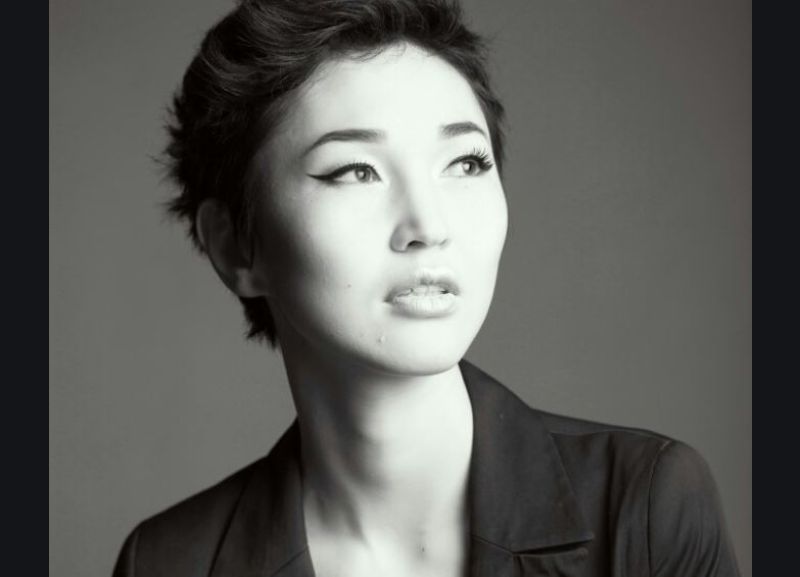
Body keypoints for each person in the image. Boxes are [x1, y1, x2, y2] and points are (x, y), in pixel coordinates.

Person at [113, 1, 741, 575]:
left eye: (465, 163)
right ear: (234, 247)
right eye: (356, 171)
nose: (429, 225)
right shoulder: (166, 564)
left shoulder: (645, 510)